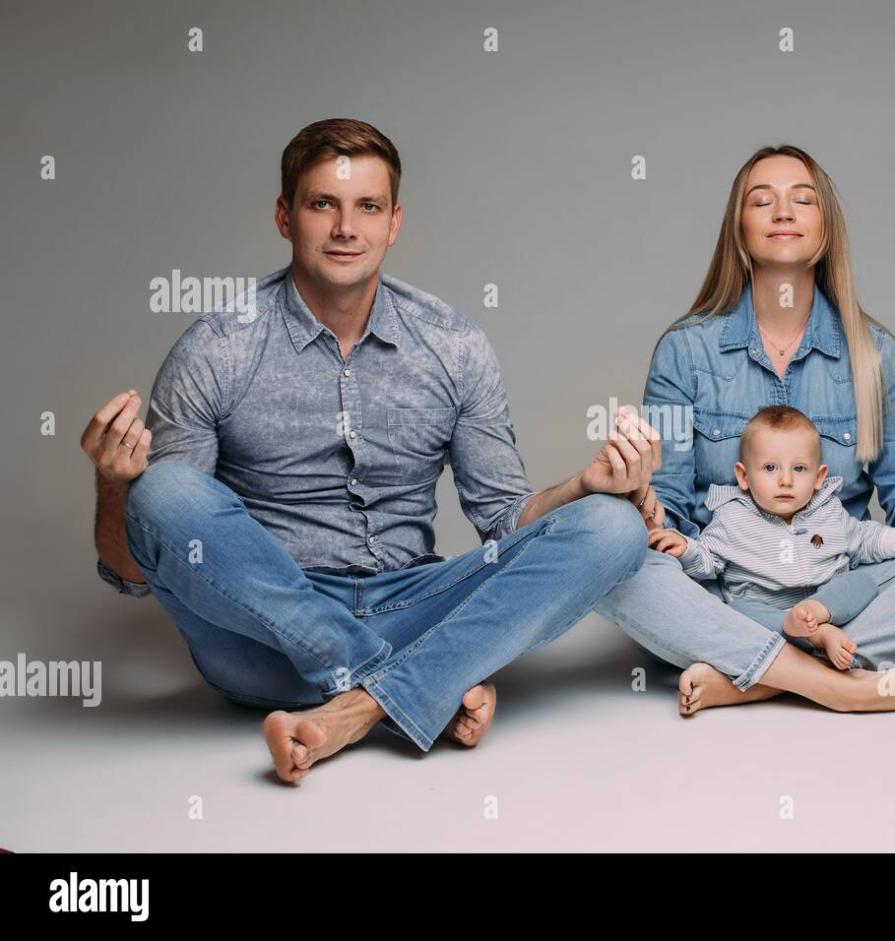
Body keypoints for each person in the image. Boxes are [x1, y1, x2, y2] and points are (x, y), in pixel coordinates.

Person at [81, 118, 657, 784]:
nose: (346, 228)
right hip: (266, 637)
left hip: (416, 601)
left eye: (368, 207)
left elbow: (504, 522)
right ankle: (417, 686)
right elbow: (138, 566)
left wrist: (586, 484)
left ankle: (359, 705)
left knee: (614, 526)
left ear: (394, 222)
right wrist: (115, 486)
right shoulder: (215, 348)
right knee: (162, 491)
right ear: (284, 216)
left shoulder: (454, 344)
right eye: (322, 203)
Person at [596, 144, 895, 716]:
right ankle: (839, 684)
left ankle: (758, 675)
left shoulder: (875, 355)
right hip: (726, 590)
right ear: (739, 230)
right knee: (607, 552)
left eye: (803, 199)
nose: (783, 212)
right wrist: (646, 515)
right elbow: (670, 504)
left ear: (825, 228)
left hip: (840, 595)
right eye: (761, 201)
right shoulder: (686, 350)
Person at [649, 405, 895, 671]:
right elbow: (708, 560)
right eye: (770, 468)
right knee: (736, 611)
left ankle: (817, 617)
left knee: (861, 582)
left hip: (827, 601)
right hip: (765, 611)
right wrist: (686, 549)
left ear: (818, 477)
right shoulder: (731, 517)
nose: (785, 480)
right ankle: (814, 635)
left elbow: (862, 539)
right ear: (744, 476)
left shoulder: (828, 511)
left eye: (799, 469)